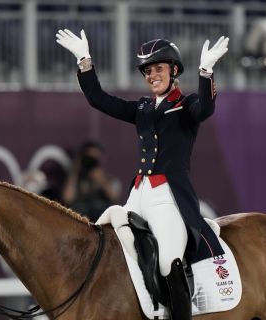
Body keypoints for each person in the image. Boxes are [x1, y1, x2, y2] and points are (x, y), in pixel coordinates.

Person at [56, 29, 229, 320]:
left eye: (158, 68)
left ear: (174, 70)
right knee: (111, 245)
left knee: (168, 262)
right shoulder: (143, 108)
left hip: (169, 198)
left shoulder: (185, 106)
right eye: (147, 71)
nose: (152, 75)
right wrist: (84, 61)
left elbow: (206, 108)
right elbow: (99, 99)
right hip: (139, 193)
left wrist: (206, 71)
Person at [62, 140, 121, 221]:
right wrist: (75, 171)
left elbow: (114, 197)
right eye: (89, 158)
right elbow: (67, 199)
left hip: (101, 222)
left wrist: (102, 180)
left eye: (96, 159)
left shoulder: (109, 180)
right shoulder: (76, 180)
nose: (92, 162)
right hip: (80, 221)